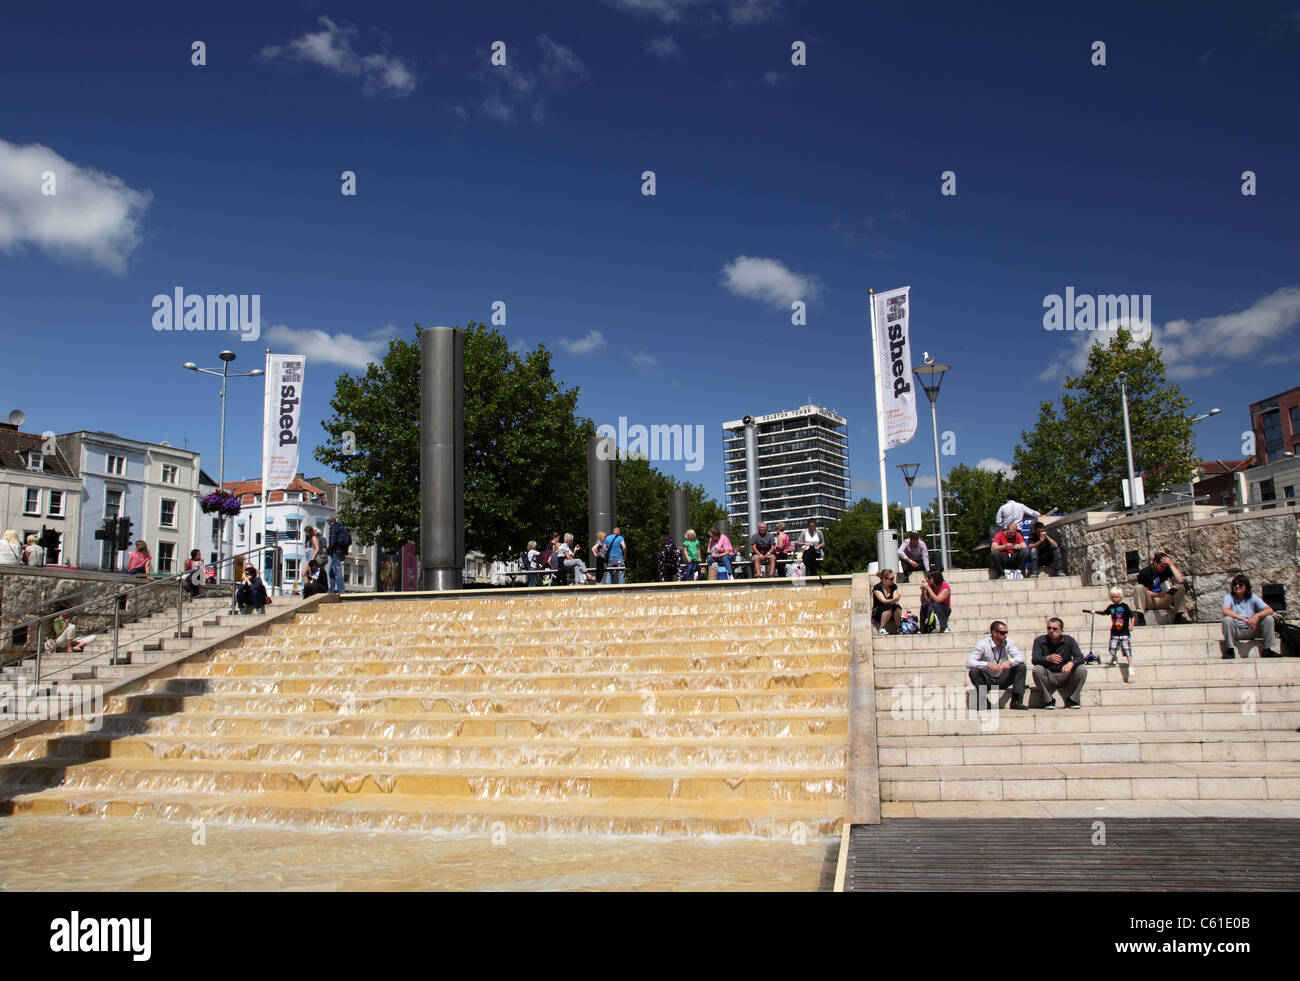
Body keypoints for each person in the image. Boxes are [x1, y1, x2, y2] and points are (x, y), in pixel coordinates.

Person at [966, 621, 1028, 710]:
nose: (1005, 635)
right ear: (994, 633)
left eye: (1006, 633)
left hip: (1003, 677)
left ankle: (1016, 701)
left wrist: (1010, 662)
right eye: (1002, 633)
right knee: (974, 672)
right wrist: (986, 664)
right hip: (988, 679)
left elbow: (1020, 657)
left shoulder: (1008, 642)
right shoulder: (983, 644)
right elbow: (969, 662)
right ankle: (984, 701)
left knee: (1021, 666)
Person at [1031, 617, 1087, 709]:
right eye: (1049, 628)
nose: (1051, 631)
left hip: (1066, 675)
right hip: (1049, 676)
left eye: (1055, 629)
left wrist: (1071, 663)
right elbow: (1035, 659)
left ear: (1061, 631)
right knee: (1037, 669)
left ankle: (1073, 700)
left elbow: (1080, 657)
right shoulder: (1039, 641)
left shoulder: (1069, 640)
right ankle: (1048, 700)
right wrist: (1047, 658)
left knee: (1082, 669)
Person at [1220, 573, 1279, 658]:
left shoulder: (1253, 597)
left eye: (1240, 585)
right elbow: (1225, 611)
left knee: (1269, 618)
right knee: (1227, 619)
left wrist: (1256, 616)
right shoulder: (1228, 597)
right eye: (1235, 585)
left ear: (1246, 586)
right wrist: (1243, 619)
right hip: (1237, 631)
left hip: (1252, 629)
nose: (1237, 586)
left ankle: (1268, 649)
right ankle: (1230, 649)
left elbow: (1269, 610)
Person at [1088, 587, 1137, 680]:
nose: (1115, 599)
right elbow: (1104, 613)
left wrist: (1132, 625)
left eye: (1116, 597)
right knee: (1112, 647)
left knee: (1126, 649)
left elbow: (1132, 616)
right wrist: (1094, 611)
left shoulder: (1124, 606)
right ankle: (1114, 657)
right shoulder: (1111, 607)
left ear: (1120, 597)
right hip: (1115, 632)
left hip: (1124, 632)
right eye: (1113, 597)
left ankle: (1130, 666)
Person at [1136, 551, 1190, 624]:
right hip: (1151, 600)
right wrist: (1157, 595)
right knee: (1138, 587)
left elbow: (1180, 580)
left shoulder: (1165, 570)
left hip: (1163, 599)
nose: (1163, 569)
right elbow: (1145, 591)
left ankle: (1178, 616)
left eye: (1165, 567)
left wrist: (1171, 564)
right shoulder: (1144, 572)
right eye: (1162, 566)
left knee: (1180, 587)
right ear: (1155, 562)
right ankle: (1140, 616)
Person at [871, 569, 903, 635]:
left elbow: (895, 597)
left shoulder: (893, 586)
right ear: (884, 579)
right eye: (891, 579)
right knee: (888, 607)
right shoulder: (877, 588)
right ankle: (882, 628)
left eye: (893, 578)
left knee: (897, 607)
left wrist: (895, 600)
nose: (893, 580)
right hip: (878, 611)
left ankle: (898, 628)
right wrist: (893, 600)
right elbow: (883, 601)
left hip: (890, 610)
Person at [326, 515, 350, 595]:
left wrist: (327, 552)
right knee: (331, 571)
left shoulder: (333, 528)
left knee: (337, 570)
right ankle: (331, 590)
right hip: (341, 551)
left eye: (327, 521)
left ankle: (341, 590)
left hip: (335, 551)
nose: (327, 523)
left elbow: (332, 541)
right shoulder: (341, 527)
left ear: (330, 521)